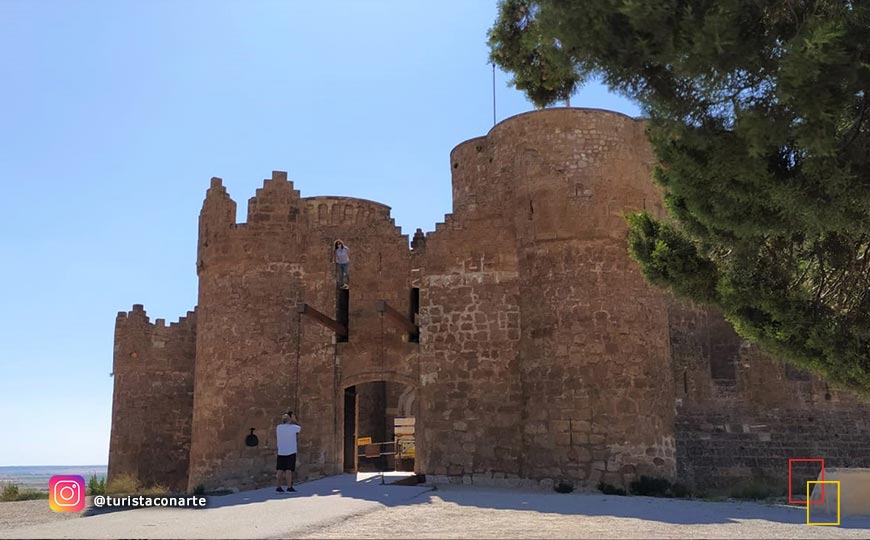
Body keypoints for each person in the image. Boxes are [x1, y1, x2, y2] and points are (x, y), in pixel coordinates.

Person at [275, 411, 301, 493]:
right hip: (290, 451)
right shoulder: (293, 427)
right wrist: (294, 419)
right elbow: (299, 428)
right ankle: (289, 487)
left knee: (280, 470)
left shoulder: (278, 427)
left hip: (281, 452)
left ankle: (278, 487)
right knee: (289, 470)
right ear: (289, 419)